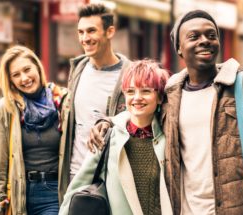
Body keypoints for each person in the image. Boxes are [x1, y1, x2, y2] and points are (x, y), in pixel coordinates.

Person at [89, 10, 243, 215]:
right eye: (194, 36)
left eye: (211, 35)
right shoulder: (170, 94)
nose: (205, 41)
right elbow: (140, 113)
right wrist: (107, 123)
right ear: (179, 49)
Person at [59, 60, 172, 215]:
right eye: (131, 91)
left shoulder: (169, 136)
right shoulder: (107, 136)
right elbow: (78, 187)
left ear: (159, 97)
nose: (137, 98)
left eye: (146, 91)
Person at [0, 45, 69, 215]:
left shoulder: (64, 102)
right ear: (10, 80)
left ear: (38, 67)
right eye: (16, 75)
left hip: (55, 192)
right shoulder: (3, 110)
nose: (24, 78)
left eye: (27, 69)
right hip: (17, 193)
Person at [59, 3, 131, 197]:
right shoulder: (78, 69)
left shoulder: (129, 74)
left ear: (110, 31)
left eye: (91, 31)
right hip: (75, 175)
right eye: (80, 32)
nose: (85, 38)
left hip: (110, 178)